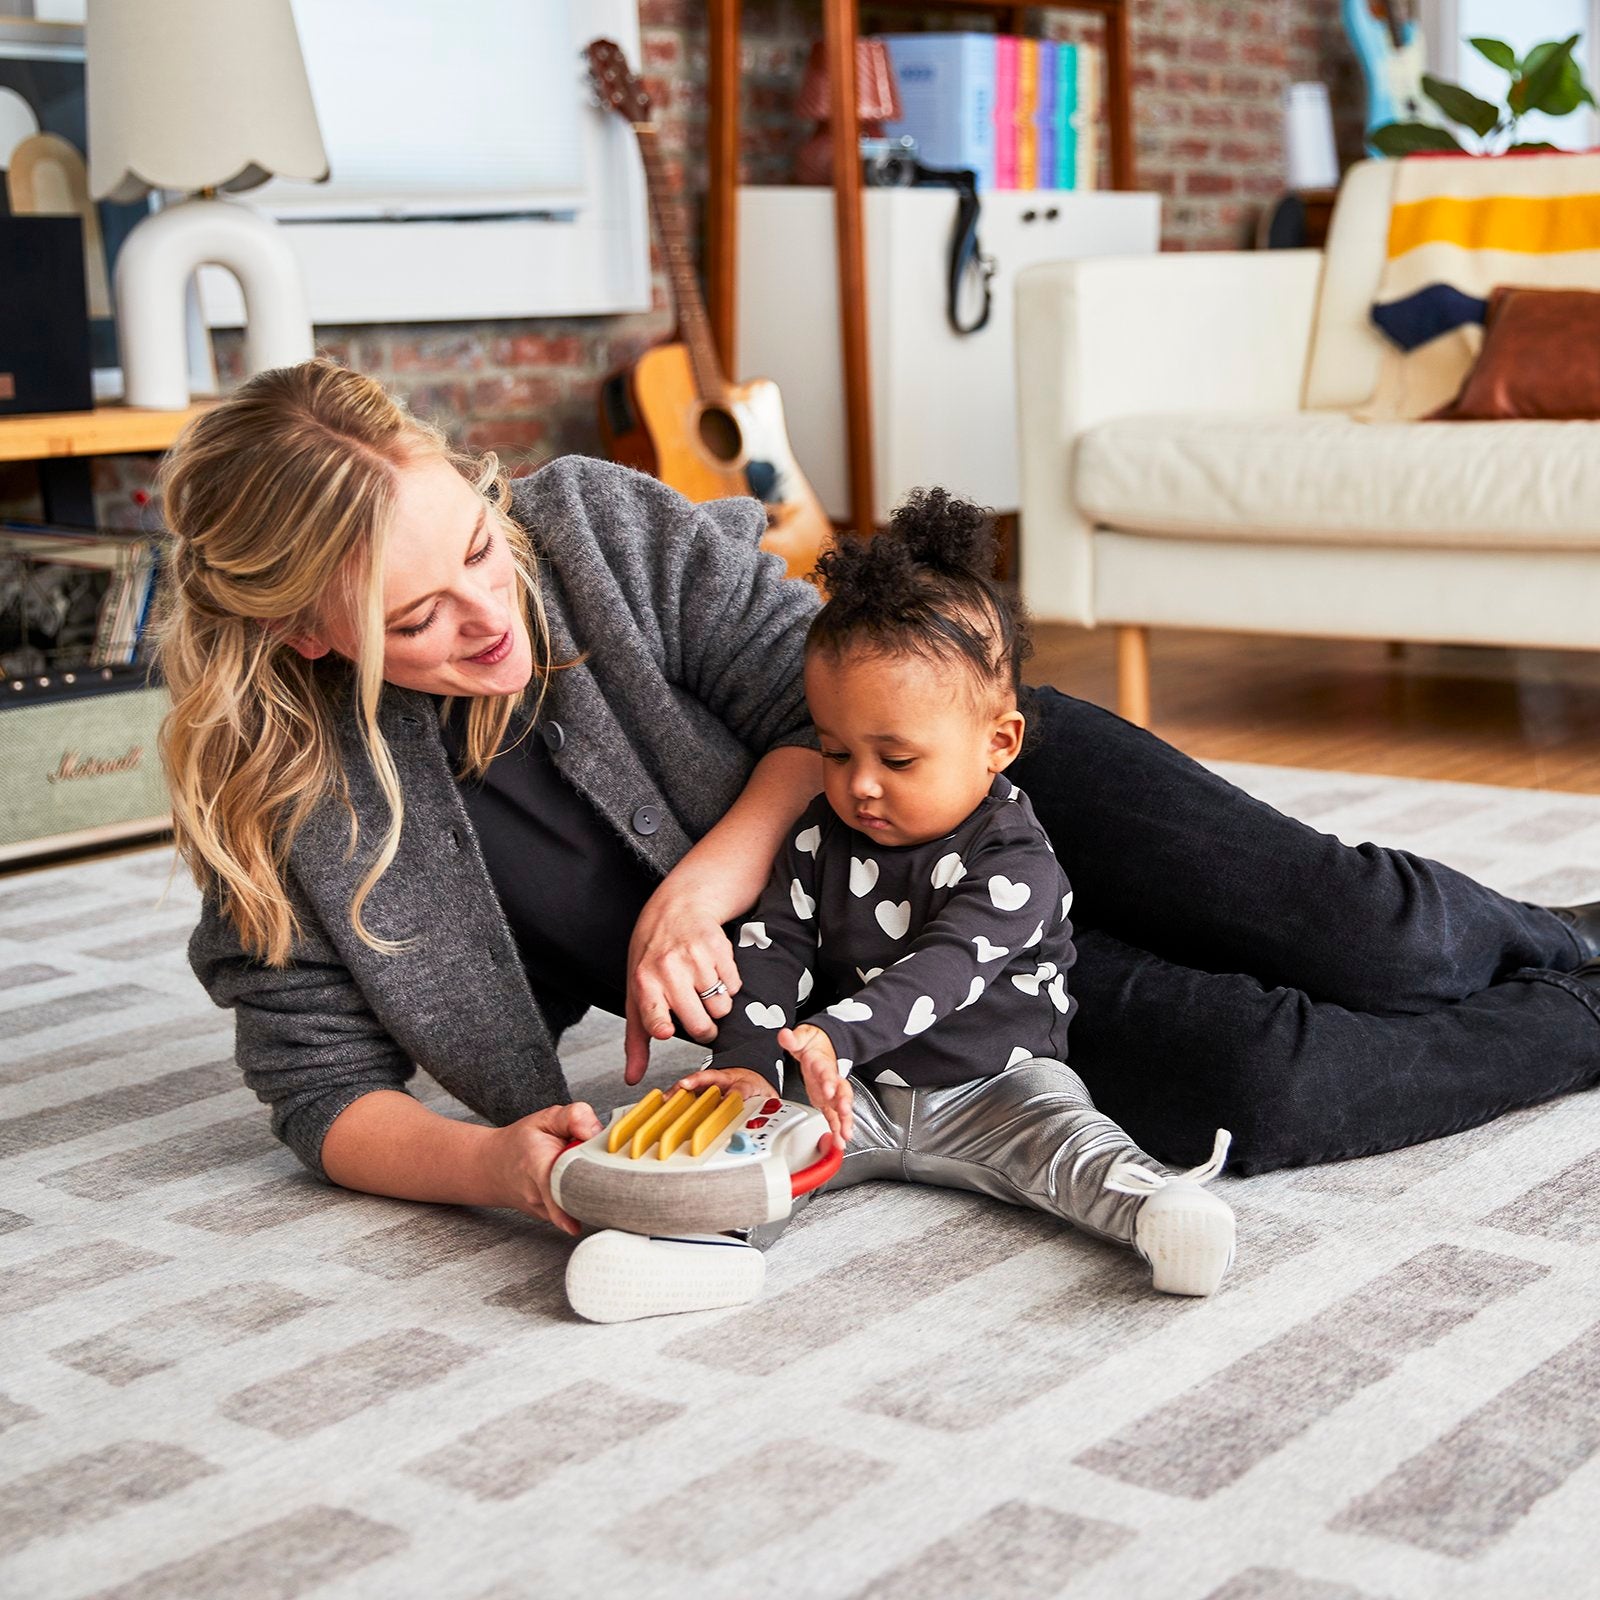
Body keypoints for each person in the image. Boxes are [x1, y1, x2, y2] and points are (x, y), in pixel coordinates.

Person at [161, 361, 1600, 1323]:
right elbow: (319, 1087)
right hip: (880, 994)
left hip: (966, 775)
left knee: (1377, 940)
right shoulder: (284, 809)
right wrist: (499, 1170)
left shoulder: (587, 528)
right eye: (415, 619)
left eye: (476, 547)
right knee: (1262, 1091)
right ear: (298, 629)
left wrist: (711, 874)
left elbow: (830, 681)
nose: (489, 614)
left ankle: (1570, 934)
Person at [669, 489, 1237, 1300]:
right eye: (834, 752)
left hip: (997, 1085)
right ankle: (696, 1246)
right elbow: (773, 950)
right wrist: (749, 1066)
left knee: (1073, 1143)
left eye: (896, 761)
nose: (859, 786)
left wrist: (832, 1035)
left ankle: (1161, 1216)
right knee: (749, 1143)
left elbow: (947, 969)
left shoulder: (1017, 858)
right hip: (849, 1094)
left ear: (996, 742)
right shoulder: (815, 836)